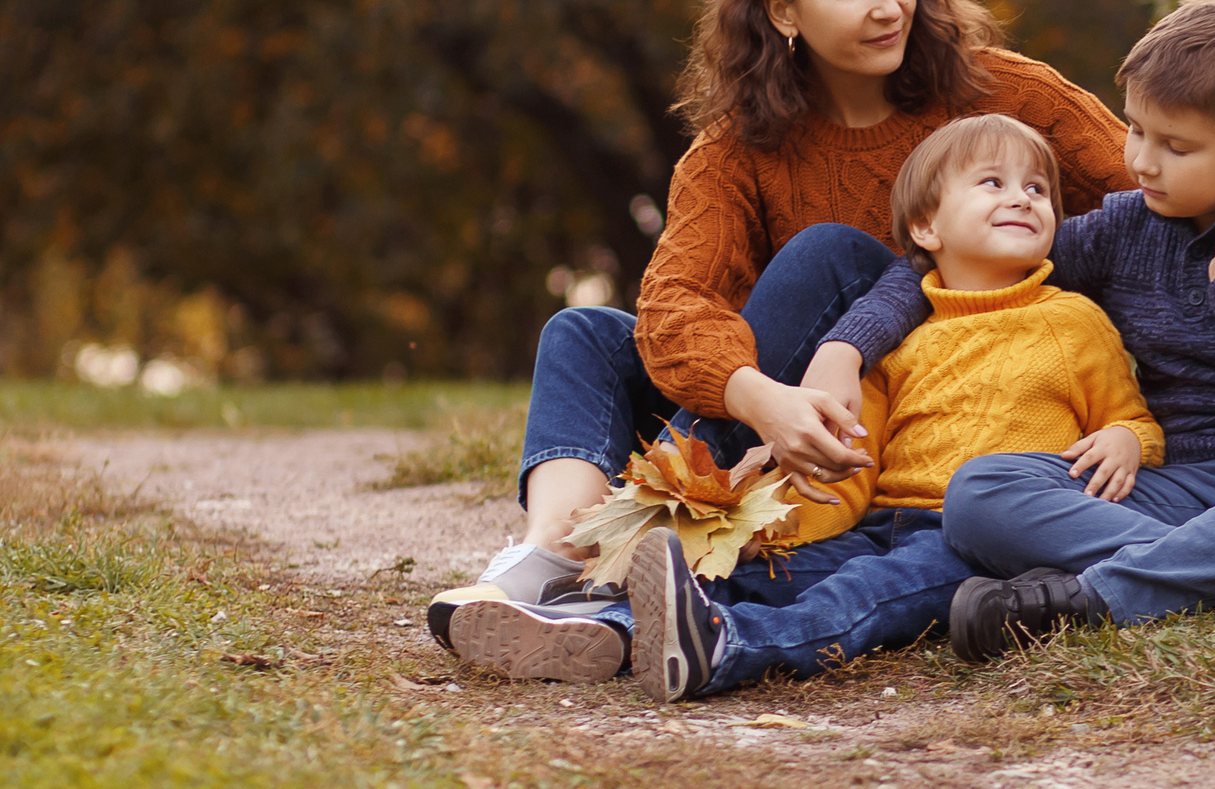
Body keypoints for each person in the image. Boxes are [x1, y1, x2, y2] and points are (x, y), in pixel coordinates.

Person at [427, 0, 1215, 669]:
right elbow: (672, 305)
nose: (888, 4)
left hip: (895, 414)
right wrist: (760, 397)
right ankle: (554, 555)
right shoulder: (734, 149)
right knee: (586, 331)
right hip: (776, 411)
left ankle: (641, 552)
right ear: (782, 10)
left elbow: (1163, 173)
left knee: (833, 253)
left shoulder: (1002, 95)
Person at [810, 0, 1215, 660]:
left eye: (1175, 146)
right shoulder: (1125, 228)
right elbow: (947, 264)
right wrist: (848, 346)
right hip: (1179, 488)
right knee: (979, 491)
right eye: (1136, 130)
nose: (1142, 161)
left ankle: (1096, 592)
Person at [470, 112, 1162, 699]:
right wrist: (794, 522)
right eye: (994, 183)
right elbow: (857, 457)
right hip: (883, 519)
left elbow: (1130, 415)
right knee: (768, 572)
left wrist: (1128, 442)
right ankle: (608, 626)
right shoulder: (902, 337)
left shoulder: (1072, 323)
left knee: (859, 595)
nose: (1024, 198)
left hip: (978, 539)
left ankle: (724, 649)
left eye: (1038, 188)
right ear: (926, 227)